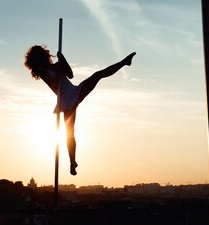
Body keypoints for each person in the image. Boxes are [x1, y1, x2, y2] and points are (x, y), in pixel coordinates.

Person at [24, 45, 136, 175]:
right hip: (66, 101)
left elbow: (70, 75)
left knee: (98, 75)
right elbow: (55, 83)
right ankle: (72, 162)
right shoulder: (42, 71)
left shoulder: (56, 66)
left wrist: (63, 61)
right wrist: (60, 69)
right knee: (69, 133)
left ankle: (124, 62)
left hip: (74, 91)